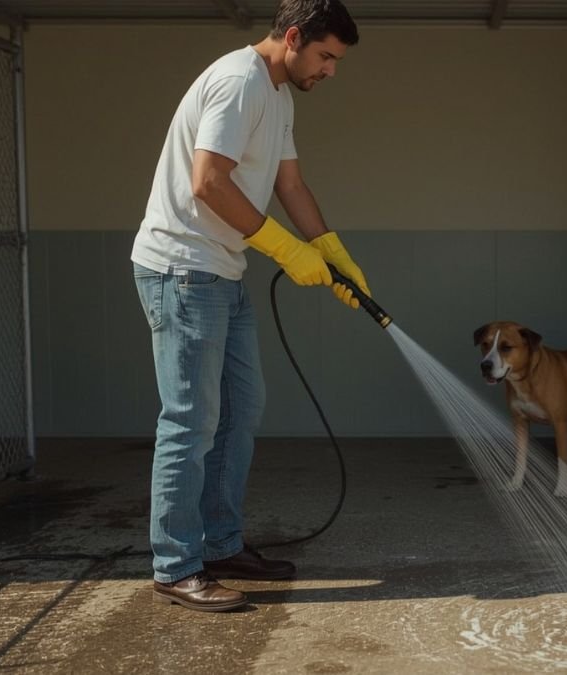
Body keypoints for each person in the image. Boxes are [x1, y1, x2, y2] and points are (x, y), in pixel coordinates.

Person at [130, 0, 369, 613]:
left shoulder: (279, 93)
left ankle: (220, 543)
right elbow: (207, 181)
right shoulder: (239, 82)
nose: (331, 71)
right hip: (183, 271)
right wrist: (286, 250)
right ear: (293, 37)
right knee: (191, 420)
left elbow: (290, 184)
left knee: (241, 411)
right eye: (325, 56)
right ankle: (176, 565)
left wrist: (330, 250)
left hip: (220, 272)